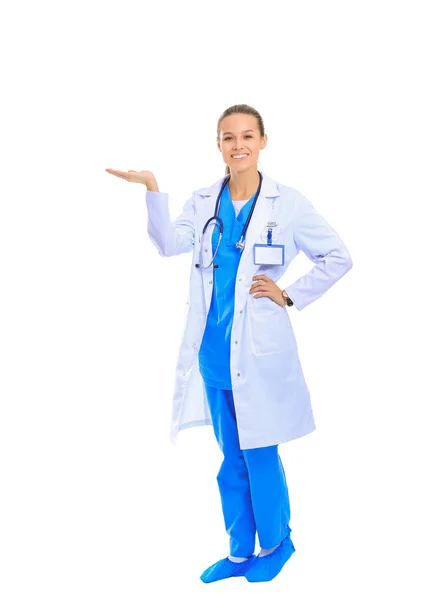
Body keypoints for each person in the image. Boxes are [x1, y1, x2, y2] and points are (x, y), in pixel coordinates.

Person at [105, 103, 353, 583]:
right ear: (218, 145)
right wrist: (154, 190)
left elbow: (338, 256)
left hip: (259, 356)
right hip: (213, 356)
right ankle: (240, 551)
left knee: (260, 455)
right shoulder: (203, 202)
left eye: (246, 136)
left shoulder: (290, 204)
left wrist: (290, 293)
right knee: (231, 460)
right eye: (227, 137)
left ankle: (277, 545)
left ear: (262, 142)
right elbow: (168, 244)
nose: (237, 145)